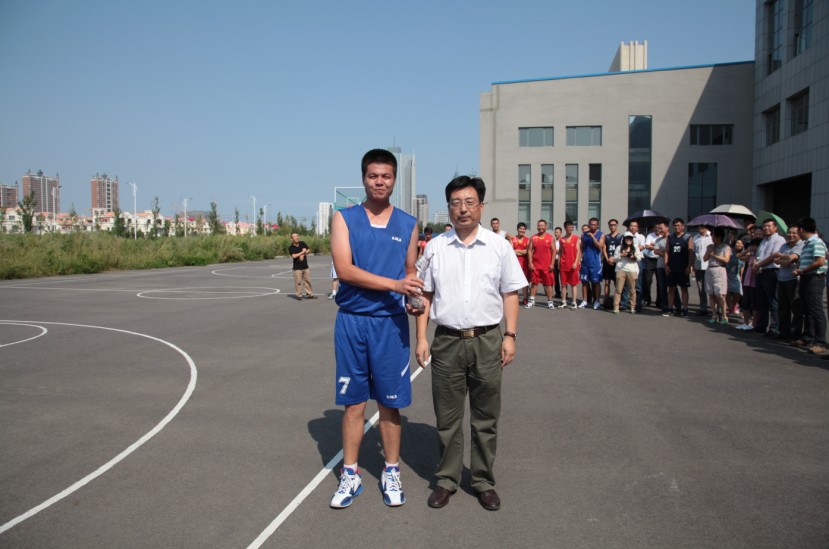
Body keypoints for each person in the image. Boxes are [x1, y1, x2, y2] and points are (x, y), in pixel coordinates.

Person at [414, 175, 525, 511]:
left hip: (487, 340)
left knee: (485, 417)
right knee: (447, 417)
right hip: (446, 341)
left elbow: (510, 293)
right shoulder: (435, 247)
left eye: (469, 202)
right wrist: (421, 337)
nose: (462, 209)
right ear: (448, 207)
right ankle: (447, 480)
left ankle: (483, 481)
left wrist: (510, 336)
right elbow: (424, 295)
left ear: (481, 206)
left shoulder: (499, 246)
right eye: (455, 203)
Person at [328, 149, 423, 508]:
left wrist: (413, 295)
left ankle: (391, 470)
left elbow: (410, 270)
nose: (379, 182)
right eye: (373, 176)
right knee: (353, 404)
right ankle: (350, 474)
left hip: (390, 325)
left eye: (386, 176)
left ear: (394, 180)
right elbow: (345, 269)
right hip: (353, 322)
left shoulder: (408, 223)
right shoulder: (344, 218)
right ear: (363, 179)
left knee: (389, 404)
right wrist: (394, 285)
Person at [791, 218, 826, 355]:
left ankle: (820, 342)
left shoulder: (817, 242)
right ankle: (808, 337)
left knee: (816, 310)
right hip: (806, 278)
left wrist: (802, 270)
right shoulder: (807, 243)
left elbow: (820, 261)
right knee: (807, 309)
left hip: (814, 278)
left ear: (801, 229)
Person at [753, 218, 786, 336]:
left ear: (775, 227)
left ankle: (774, 327)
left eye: (769, 226)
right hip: (761, 272)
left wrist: (759, 264)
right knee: (761, 301)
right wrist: (756, 264)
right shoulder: (763, 240)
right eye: (764, 226)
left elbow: (773, 256)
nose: (766, 228)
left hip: (772, 271)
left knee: (772, 301)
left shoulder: (779, 239)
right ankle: (761, 326)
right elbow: (759, 256)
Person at [773, 225, 804, 341]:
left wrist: (780, 257)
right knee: (782, 307)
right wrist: (784, 259)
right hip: (781, 279)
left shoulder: (801, 245)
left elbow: (788, 261)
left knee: (795, 308)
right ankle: (784, 332)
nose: (791, 235)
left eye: (794, 233)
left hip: (793, 280)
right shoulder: (784, 245)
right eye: (789, 232)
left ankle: (795, 334)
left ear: (799, 234)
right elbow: (775, 260)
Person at [665, 218, 693, 316]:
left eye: (679, 225)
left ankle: (684, 308)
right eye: (675, 225)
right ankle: (670, 308)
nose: (677, 227)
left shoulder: (688, 237)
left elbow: (691, 253)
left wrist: (689, 266)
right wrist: (666, 265)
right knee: (671, 289)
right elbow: (667, 252)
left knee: (684, 289)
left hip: (683, 268)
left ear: (683, 226)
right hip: (672, 267)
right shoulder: (670, 237)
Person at [703, 227, 731, 325]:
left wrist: (714, 255)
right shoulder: (710, 246)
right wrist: (709, 251)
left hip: (719, 269)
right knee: (711, 294)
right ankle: (714, 315)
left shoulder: (726, 247)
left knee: (719, 294)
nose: (712, 238)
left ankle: (724, 316)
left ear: (719, 236)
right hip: (709, 269)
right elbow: (705, 259)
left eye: (713, 236)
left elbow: (726, 260)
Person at [526, 219, 556, 309]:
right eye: (539, 225)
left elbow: (554, 251)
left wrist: (552, 263)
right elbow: (529, 250)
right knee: (534, 283)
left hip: (547, 266)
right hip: (535, 266)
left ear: (546, 227)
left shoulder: (550, 238)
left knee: (549, 284)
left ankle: (550, 302)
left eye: (542, 225)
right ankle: (531, 300)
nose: (540, 227)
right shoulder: (533, 237)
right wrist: (530, 262)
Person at [612, 232, 643, 314]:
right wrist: (622, 255)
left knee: (632, 290)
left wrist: (633, 257)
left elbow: (639, 258)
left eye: (630, 238)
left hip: (632, 269)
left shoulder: (635, 247)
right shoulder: (619, 247)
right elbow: (614, 259)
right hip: (621, 269)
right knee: (618, 289)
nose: (628, 240)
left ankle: (633, 307)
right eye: (627, 238)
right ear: (624, 239)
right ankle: (616, 307)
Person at [579, 217, 605, 310]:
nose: (593, 226)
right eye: (591, 224)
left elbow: (600, 246)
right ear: (589, 224)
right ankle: (585, 300)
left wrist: (593, 237)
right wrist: (579, 259)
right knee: (584, 282)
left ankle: (597, 300)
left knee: (596, 283)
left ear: (597, 225)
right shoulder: (584, 235)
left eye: (594, 224)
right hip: (585, 263)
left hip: (595, 263)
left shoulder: (601, 235)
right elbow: (581, 248)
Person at [736, 238, 761, 331]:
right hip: (747, 281)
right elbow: (739, 256)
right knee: (745, 302)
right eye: (752, 245)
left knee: (754, 304)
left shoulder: (760, 256)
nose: (753, 247)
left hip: (755, 283)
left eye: (755, 246)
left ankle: (754, 324)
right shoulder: (751, 255)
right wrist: (747, 250)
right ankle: (746, 323)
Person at [558, 221, 581, 309]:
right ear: (565, 228)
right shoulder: (561, 239)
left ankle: (574, 302)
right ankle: (563, 301)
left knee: (573, 284)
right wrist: (559, 262)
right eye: (569, 227)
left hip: (573, 266)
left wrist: (576, 262)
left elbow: (578, 251)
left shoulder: (576, 238)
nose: (571, 229)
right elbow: (560, 252)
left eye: (572, 227)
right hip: (563, 265)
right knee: (563, 284)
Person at [289, 232, 316, 300]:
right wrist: (302, 252)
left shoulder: (302, 243)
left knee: (307, 281)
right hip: (297, 268)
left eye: (297, 236)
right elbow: (294, 256)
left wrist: (303, 254)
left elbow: (308, 250)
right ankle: (299, 295)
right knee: (298, 282)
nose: (296, 238)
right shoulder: (291, 247)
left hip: (305, 266)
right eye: (295, 237)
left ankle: (309, 294)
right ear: (292, 238)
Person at [693, 225, 713, 315]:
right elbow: (693, 252)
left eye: (702, 227)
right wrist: (692, 265)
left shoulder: (712, 237)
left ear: (706, 227)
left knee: (712, 288)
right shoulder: (695, 237)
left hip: (710, 265)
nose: (700, 229)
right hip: (698, 265)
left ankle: (715, 309)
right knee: (701, 288)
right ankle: (703, 308)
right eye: (698, 228)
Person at [602, 219, 623, 303]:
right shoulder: (606, 237)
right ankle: (606, 300)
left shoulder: (621, 237)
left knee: (617, 283)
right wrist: (607, 259)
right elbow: (604, 248)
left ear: (617, 225)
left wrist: (614, 259)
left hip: (616, 262)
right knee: (607, 282)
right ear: (609, 226)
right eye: (611, 225)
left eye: (614, 225)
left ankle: (617, 301)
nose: (612, 226)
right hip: (607, 262)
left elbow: (622, 250)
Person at [511, 222, 531, 305]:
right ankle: (514, 298)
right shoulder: (512, 239)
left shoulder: (528, 240)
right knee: (514, 281)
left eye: (523, 229)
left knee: (524, 281)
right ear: (517, 229)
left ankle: (525, 298)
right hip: (515, 263)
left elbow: (527, 251)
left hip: (524, 263)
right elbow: (511, 251)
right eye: (520, 228)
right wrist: (522, 252)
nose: (522, 230)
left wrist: (516, 251)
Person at [725, 239, 744, 317]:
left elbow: (742, 266)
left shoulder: (743, 253)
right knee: (727, 292)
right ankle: (730, 308)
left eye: (741, 243)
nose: (740, 245)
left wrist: (741, 276)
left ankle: (734, 305)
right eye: (738, 243)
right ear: (734, 244)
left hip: (736, 276)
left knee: (738, 292)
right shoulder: (729, 252)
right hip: (727, 274)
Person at [553, 226, 563, 299]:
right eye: (555, 232)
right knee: (555, 277)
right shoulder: (554, 242)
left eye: (557, 232)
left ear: (561, 233)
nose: (556, 233)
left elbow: (562, 251)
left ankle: (564, 293)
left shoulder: (562, 241)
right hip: (554, 260)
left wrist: (557, 250)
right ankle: (557, 292)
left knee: (562, 278)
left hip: (561, 260)